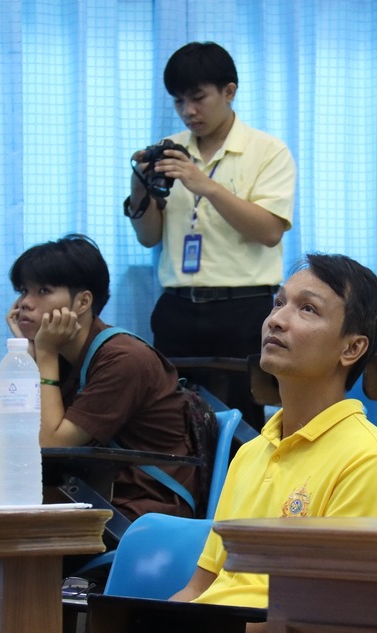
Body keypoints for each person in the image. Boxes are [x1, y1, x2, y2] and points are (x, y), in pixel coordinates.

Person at [63, 253, 377, 633]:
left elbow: (333, 612)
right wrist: (154, 631)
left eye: (307, 309)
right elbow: (200, 585)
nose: (277, 320)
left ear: (352, 348)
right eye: (278, 303)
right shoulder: (252, 452)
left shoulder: (368, 459)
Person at [125, 42, 297, 428]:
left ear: (229, 91)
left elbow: (270, 231)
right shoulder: (169, 152)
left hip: (243, 309)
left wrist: (205, 185)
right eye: (178, 100)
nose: (188, 111)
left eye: (198, 98)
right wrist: (139, 189)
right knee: (171, 421)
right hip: (177, 308)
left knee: (241, 425)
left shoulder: (268, 151)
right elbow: (149, 238)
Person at [0, 234, 198, 520]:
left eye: (42, 291)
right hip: (84, 496)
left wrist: (43, 356)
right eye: (23, 291)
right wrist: (27, 360)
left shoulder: (124, 358)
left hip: (141, 509)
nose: (24, 303)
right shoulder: (58, 354)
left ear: (82, 302)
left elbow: (50, 446)